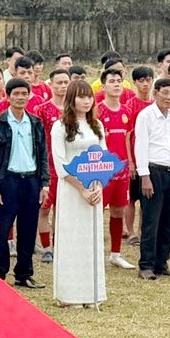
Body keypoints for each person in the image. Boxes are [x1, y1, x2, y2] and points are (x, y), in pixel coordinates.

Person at [0, 78, 48, 287]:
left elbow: (43, 155)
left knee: (28, 229)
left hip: (31, 180)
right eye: (16, 94)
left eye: (24, 94)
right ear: (8, 96)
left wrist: (44, 183)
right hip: (7, 181)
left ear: (29, 95)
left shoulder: (36, 122)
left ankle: (24, 274)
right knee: (3, 230)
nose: (20, 98)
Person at [50, 80, 106, 306]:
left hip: (94, 187)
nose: (86, 100)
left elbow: (104, 158)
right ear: (71, 99)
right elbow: (61, 164)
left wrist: (98, 185)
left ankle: (91, 293)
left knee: (91, 238)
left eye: (89, 96)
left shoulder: (97, 125)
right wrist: (81, 189)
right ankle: (69, 294)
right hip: (72, 189)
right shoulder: (60, 126)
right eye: (81, 96)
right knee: (71, 238)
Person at [134, 78, 170, 280]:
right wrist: (144, 176)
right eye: (165, 93)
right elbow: (141, 147)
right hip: (153, 171)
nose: (169, 97)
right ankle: (146, 265)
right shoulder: (146, 116)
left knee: (167, 220)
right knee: (151, 221)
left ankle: (161, 262)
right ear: (156, 93)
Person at [96, 66, 136, 268]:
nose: (116, 85)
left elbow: (128, 138)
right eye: (111, 81)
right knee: (96, 211)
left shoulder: (127, 111)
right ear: (103, 86)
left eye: (119, 81)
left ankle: (115, 253)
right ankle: (93, 252)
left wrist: (130, 161)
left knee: (118, 211)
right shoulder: (97, 110)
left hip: (122, 170)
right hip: (102, 171)